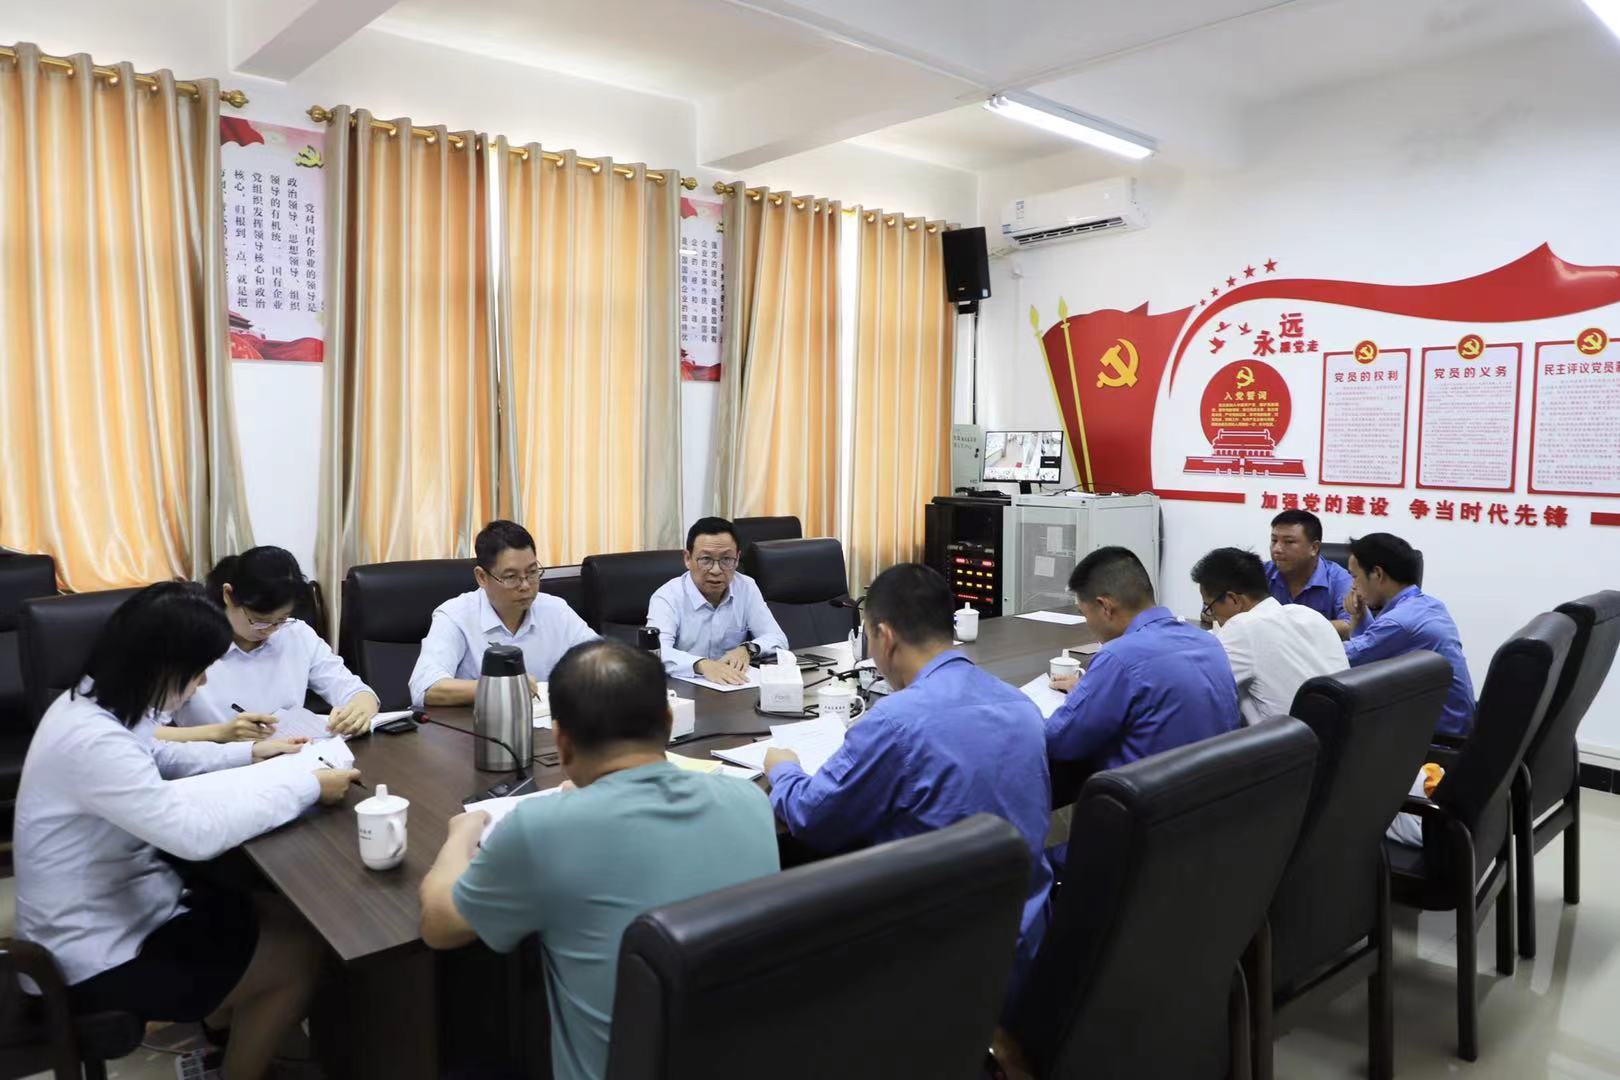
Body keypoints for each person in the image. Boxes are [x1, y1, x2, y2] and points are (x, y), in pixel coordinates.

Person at [14, 582, 358, 1080]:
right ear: (162, 665)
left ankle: (227, 1025)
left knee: (274, 910)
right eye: (197, 671)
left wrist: (249, 753)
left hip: (123, 905)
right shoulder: (93, 741)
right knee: (300, 953)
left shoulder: (91, 699)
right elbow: (193, 835)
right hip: (90, 956)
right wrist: (307, 785)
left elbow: (160, 754)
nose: (201, 683)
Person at [419, 640, 778, 1080]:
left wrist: (463, 831)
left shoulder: (541, 829)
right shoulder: (750, 800)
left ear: (561, 741)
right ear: (668, 723)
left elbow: (439, 925)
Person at [763, 563, 1053, 998]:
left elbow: (812, 816)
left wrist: (783, 768)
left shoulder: (895, 722)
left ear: (884, 636)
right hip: (1024, 939)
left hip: (934, 959)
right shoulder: (1019, 704)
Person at [1045, 546, 1240, 772]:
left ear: (1105, 607)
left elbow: (1059, 741)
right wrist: (1088, 690)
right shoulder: (1209, 643)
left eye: (1084, 613)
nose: (1087, 623)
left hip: (1143, 791)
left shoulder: (1118, 658)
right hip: (1212, 786)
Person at [163, 546, 378, 742]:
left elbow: (357, 692)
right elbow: (147, 733)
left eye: (281, 619)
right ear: (228, 595)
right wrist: (219, 733)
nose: (269, 630)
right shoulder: (187, 644)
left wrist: (357, 711)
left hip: (290, 760)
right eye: (259, 620)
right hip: (213, 766)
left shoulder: (295, 635)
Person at [409, 520, 597, 707]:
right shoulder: (455, 616)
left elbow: (602, 661)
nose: (525, 586)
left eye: (532, 572)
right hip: (479, 723)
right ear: (482, 577)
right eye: (511, 577)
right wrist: (502, 687)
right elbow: (425, 688)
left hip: (546, 722)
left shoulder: (555, 610)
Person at [1191, 546, 1348, 727]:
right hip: (1343, 735)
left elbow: (1197, 689)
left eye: (1210, 607)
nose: (1212, 616)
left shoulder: (1243, 626)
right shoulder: (1309, 615)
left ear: (1234, 599)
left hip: (1289, 740)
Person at [1344, 532, 1476, 738]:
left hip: (1439, 738)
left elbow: (1344, 659)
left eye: (1354, 576)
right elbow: (1373, 648)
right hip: (1454, 724)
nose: (1352, 586)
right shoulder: (1427, 605)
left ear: (1377, 574)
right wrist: (1360, 615)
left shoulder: (1400, 622)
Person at [645, 516, 789, 685]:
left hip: (734, 688)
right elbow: (656, 652)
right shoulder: (667, 596)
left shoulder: (746, 587)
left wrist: (748, 649)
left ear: (737, 559)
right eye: (706, 559)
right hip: (683, 690)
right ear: (687, 558)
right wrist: (702, 665)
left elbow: (778, 638)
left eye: (726, 559)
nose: (715, 570)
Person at [1266, 509, 1354, 632]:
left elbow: (1351, 625)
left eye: (1289, 542)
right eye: (1274, 540)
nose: (1277, 549)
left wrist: (1293, 630)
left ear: (1314, 548)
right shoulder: (1263, 573)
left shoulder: (1339, 580)